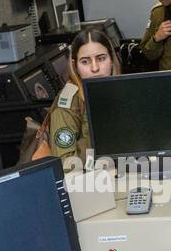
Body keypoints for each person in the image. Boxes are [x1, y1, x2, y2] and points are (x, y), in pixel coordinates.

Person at [31, 29, 118, 165]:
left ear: (112, 60)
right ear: (75, 66)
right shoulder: (68, 105)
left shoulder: (116, 90)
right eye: (85, 62)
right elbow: (67, 164)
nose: (95, 68)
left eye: (101, 58)